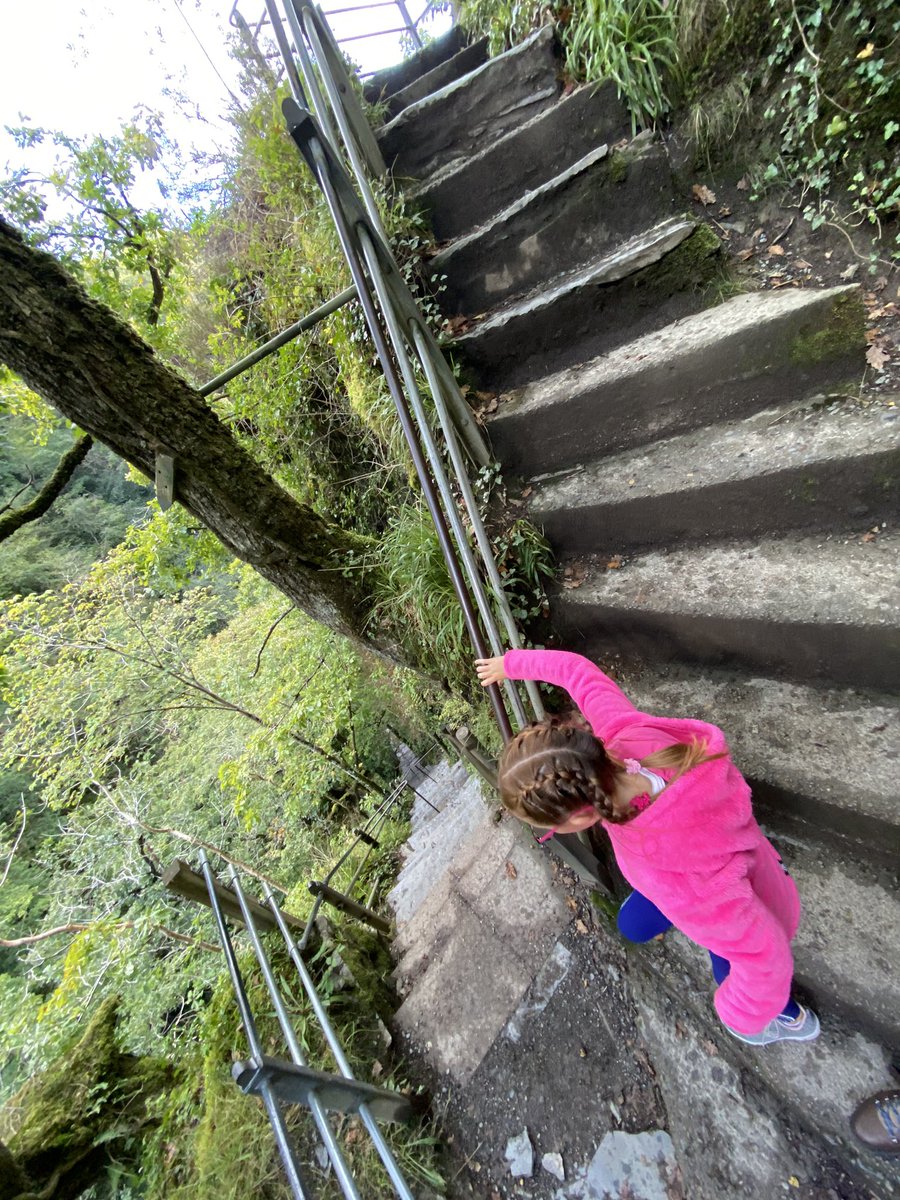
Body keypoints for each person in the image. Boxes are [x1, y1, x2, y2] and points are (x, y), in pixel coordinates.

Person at [475, 648, 820, 1047]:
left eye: (548, 828)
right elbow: (577, 672)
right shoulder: (619, 733)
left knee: (728, 971)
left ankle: (790, 1019)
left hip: (745, 899)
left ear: (581, 819)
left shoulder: (681, 879)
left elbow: (766, 956)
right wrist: (510, 664)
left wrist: (737, 1013)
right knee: (633, 925)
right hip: (716, 854)